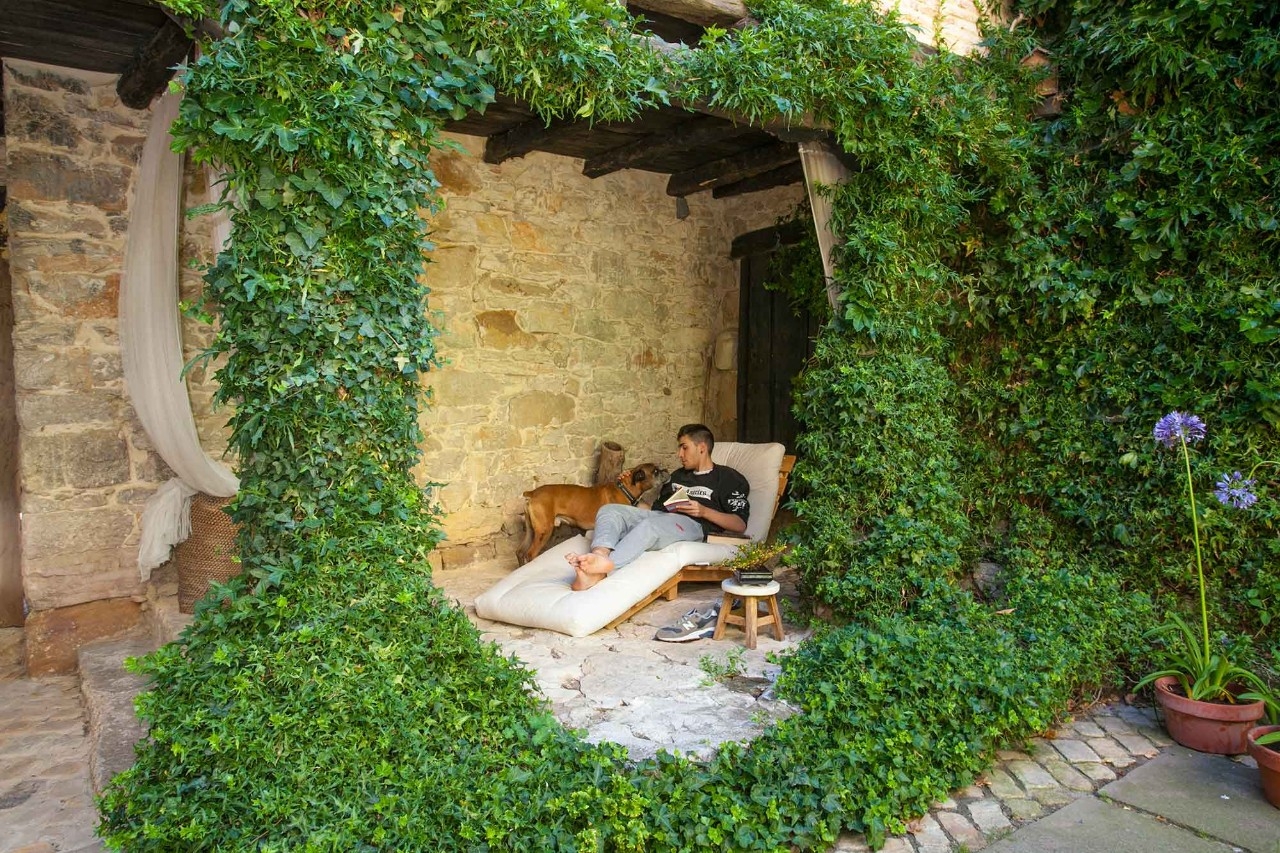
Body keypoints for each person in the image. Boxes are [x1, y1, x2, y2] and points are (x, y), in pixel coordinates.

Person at [566, 424, 750, 591]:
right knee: (609, 509)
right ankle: (599, 554)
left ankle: (598, 572)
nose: (680, 454)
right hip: (662, 517)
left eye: (684, 447)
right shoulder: (678, 476)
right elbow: (653, 510)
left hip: (694, 527)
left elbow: (739, 524)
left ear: (702, 448)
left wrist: (703, 511)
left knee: (649, 528)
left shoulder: (727, 478)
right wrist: (627, 488)